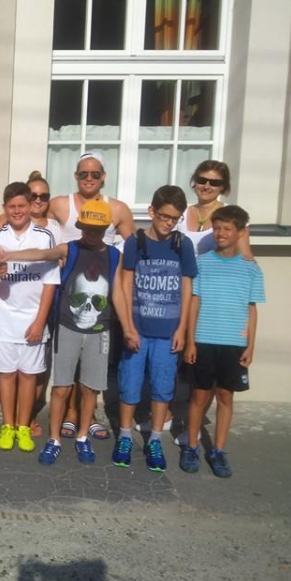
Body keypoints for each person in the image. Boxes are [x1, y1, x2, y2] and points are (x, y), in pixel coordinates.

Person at [0, 199, 121, 466]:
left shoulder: (114, 255)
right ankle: (54, 439)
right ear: (80, 227)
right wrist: (10, 255)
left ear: (106, 229)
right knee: (61, 387)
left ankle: (82, 437)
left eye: (97, 230)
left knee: (90, 388)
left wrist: (129, 328)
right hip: (67, 327)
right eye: (87, 228)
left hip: (100, 330)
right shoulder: (70, 249)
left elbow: (119, 293)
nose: (91, 234)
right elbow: (40, 254)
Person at [47, 152, 136, 441]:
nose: (88, 178)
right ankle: (71, 414)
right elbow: (33, 221)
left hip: (100, 295)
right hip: (68, 291)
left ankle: (88, 416)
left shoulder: (118, 208)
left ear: (103, 177)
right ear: (75, 176)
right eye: (83, 174)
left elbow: (133, 249)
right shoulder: (59, 204)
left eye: (95, 174)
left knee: (91, 367)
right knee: (68, 361)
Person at [111, 186, 196, 473]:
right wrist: (127, 327)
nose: (168, 223)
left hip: (168, 333)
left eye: (175, 218)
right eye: (164, 216)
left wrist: (182, 329)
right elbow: (125, 286)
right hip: (138, 330)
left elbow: (187, 288)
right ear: (151, 211)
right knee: (130, 384)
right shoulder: (135, 242)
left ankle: (155, 440)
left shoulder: (182, 244)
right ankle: (125, 436)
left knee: (162, 388)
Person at [180, 206, 265, 478]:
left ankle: (218, 450)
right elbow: (194, 303)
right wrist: (190, 341)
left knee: (226, 396)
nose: (221, 233)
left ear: (240, 233)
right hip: (204, 340)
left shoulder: (251, 269)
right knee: (199, 395)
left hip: (234, 344)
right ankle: (191, 447)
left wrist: (251, 345)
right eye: (217, 228)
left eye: (227, 229)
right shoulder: (202, 263)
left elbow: (252, 309)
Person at [0, 182, 59, 453]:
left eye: (21, 206)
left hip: (33, 321)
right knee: (7, 375)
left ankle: (23, 426)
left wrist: (40, 321)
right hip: (4, 320)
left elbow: (50, 283)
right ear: (4, 208)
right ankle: (8, 426)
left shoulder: (44, 237)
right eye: (11, 206)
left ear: (30, 206)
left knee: (28, 376)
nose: (17, 211)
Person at [176, 160, 253, 257]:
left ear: (222, 186)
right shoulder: (179, 214)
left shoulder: (234, 215)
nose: (206, 186)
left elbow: (246, 256)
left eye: (214, 183)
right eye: (202, 180)